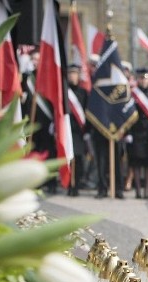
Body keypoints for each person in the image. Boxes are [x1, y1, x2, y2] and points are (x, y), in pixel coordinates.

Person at [126, 69, 148, 199]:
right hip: (136, 130)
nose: (143, 80)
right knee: (135, 161)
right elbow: (128, 114)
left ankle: (146, 190)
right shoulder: (133, 94)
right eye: (141, 78)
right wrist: (128, 133)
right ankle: (137, 190)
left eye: (146, 78)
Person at [66, 64, 89, 196]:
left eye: (75, 73)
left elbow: (86, 111)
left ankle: (77, 184)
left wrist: (87, 131)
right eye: (70, 73)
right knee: (68, 158)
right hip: (68, 129)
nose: (72, 76)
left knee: (79, 159)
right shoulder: (64, 91)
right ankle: (70, 184)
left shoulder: (83, 92)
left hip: (79, 131)